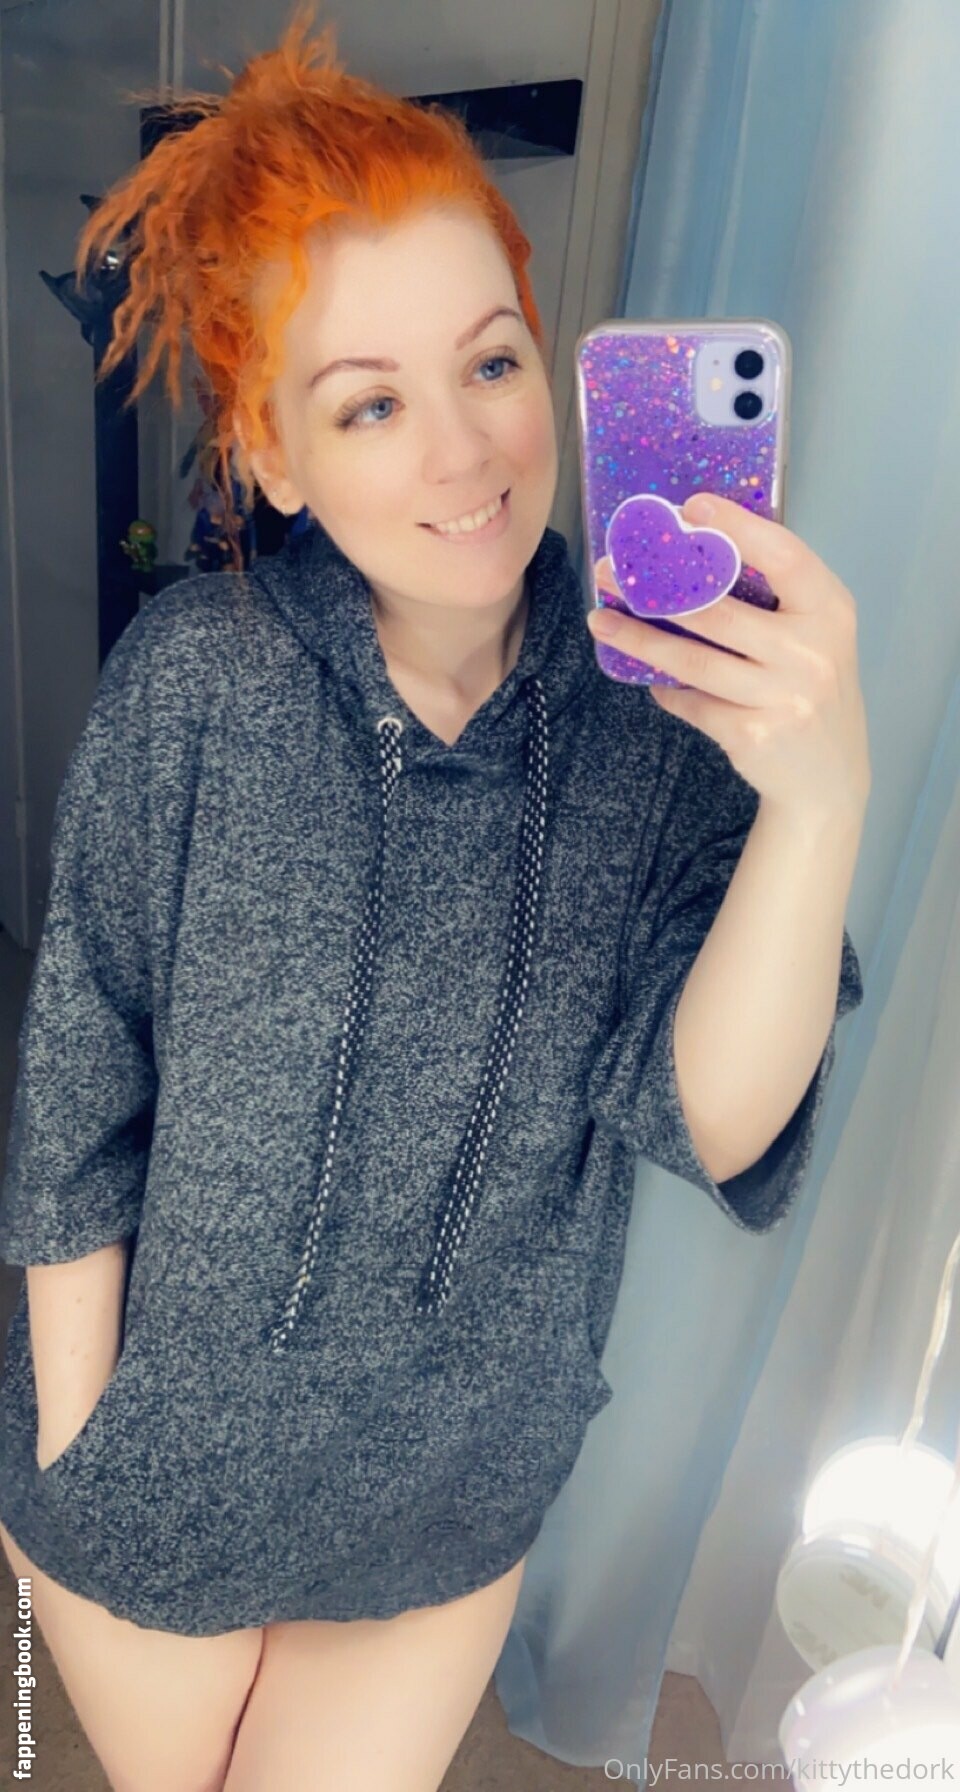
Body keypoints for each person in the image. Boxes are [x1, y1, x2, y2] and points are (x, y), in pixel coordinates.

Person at [0, 7, 867, 1789]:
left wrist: (819, 799)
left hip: (451, 1490)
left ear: (550, 358)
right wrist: (85, 1455)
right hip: (163, 1458)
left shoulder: (665, 714)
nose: (464, 454)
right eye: (370, 403)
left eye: (489, 363)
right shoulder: (196, 684)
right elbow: (82, 1081)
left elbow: (706, 1116)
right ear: (272, 454)